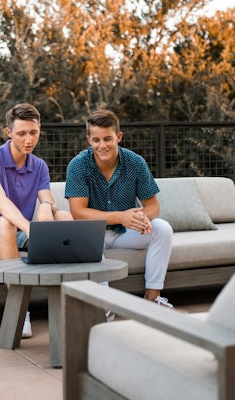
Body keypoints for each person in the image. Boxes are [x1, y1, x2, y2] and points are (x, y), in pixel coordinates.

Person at [0, 103, 72, 338]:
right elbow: (0, 202)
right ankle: (20, 310)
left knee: (64, 215)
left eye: (33, 133)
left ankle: (71, 302)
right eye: (21, 134)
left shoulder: (39, 166)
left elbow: (47, 198)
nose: (29, 140)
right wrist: (29, 228)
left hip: (22, 231)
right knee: (7, 223)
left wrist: (47, 207)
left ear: (39, 130)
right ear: (8, 133)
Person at [65, 109, 174, 308]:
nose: (102, 145)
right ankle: (105, 305)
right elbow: (78, 212)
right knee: (85, 236)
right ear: (88, 139)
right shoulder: (78, 165)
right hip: (94, 235)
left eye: (108, 139)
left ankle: (152, 299)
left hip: (126, 234)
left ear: (119, 137)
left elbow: (153, 207)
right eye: (96, 140)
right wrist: (121, 217)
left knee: (162, 228)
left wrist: (139, 219)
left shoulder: (136, 162)